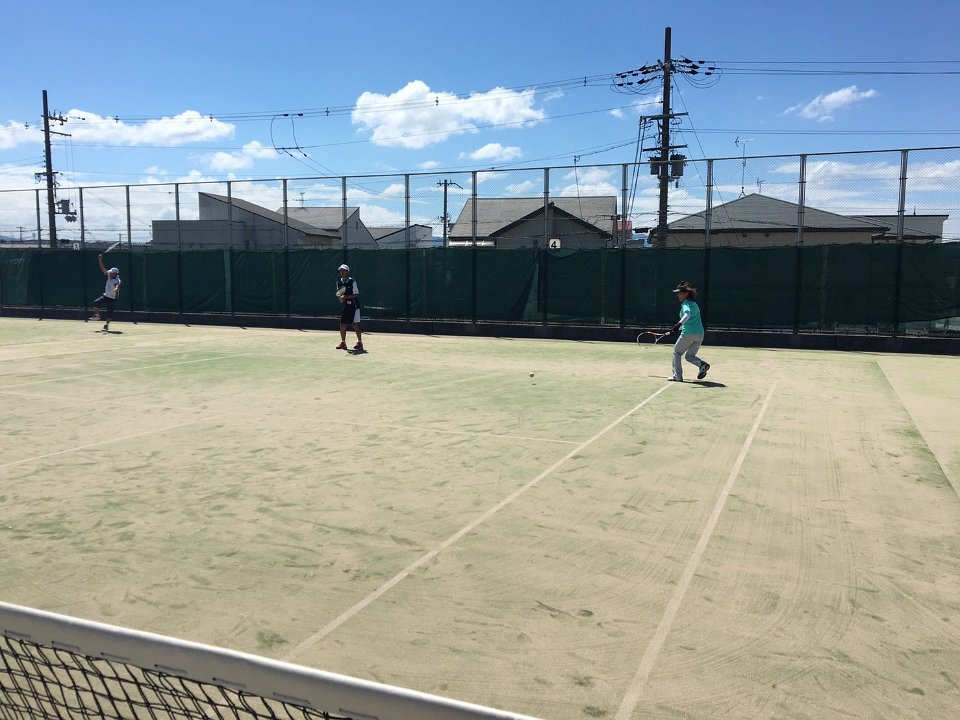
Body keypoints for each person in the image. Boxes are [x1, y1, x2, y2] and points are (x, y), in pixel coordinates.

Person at [667, 280, 710, 382]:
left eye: (680, 293)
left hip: (688, 334)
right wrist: (677, 329)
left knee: (676, 353)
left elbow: (687, 315)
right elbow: (691, 321)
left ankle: (677, 376)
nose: (678, 295)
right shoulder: (695, 304)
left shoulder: (686, 305)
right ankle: (702, 365)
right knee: (689, 356)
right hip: (700, 334)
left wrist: (678, 324)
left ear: (686, 294)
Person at [89, 254, 121, 331]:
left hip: (112, 298)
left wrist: (116, 289)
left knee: (109, 313)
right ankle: (97, 316)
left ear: (115, 274)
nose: (110, 273)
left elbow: (117, 285)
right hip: (106, 296)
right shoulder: (109, 275)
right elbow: (103, 268)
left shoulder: (117, 280)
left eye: (112, 272)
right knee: (96, 302)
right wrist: (100, 260)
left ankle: (107, 325)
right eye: (110, 272)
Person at [335, 263, 363, 351]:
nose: (341, 272)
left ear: (347, 272)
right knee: (342, 324)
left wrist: (345, 297)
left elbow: (356, 294)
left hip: (354, 306)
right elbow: (339, 294)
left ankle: (360, 343)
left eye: (343, 271)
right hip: (346, 307)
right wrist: (340, 298)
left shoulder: (352, 281)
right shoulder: (339, 282)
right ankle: (343, 343)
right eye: (340, 271)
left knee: (355, 324)